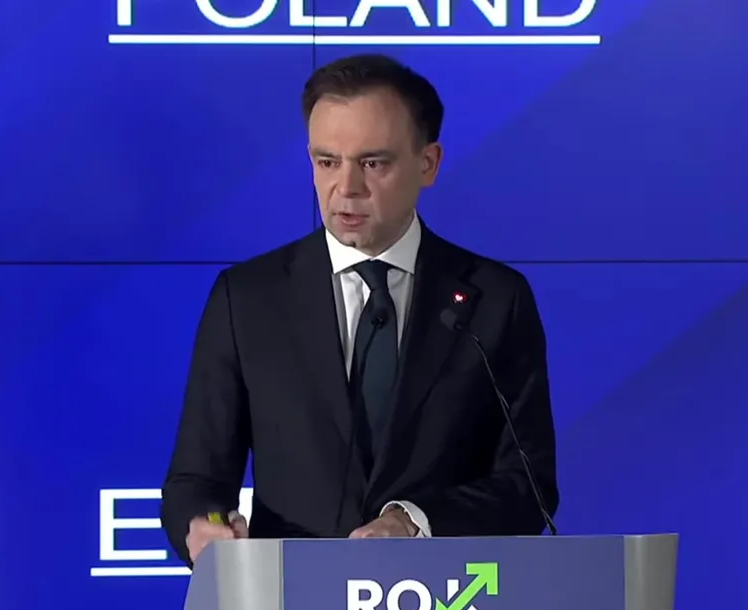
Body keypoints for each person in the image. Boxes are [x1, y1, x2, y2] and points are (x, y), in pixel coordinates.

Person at [160, 53, 558, 567]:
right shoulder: (248, 298)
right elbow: (196, 480)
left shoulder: (496, 299)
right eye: (327, 162)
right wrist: (205, 527)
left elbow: (528, 486)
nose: (346, 188)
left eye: (373, 163)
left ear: (428, 164)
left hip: (450, 602)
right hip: (293, 600)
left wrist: (415, 522)